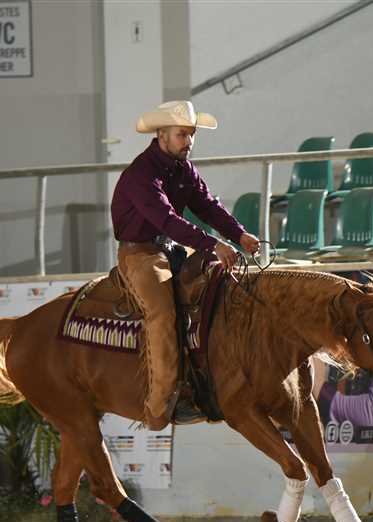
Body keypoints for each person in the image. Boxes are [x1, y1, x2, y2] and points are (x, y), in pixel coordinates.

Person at [111, 101, 261, 430]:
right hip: (140, 254)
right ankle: (160, 404)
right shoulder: (140, 174)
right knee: (162, 313)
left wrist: (239, 234)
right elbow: (166, 219)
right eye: (182, 134)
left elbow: (207, 205)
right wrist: (213, 243)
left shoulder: (184, 169)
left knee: (218, 287)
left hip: (171, 248)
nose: (189, 141)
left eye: (192, 134)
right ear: (161, 135)